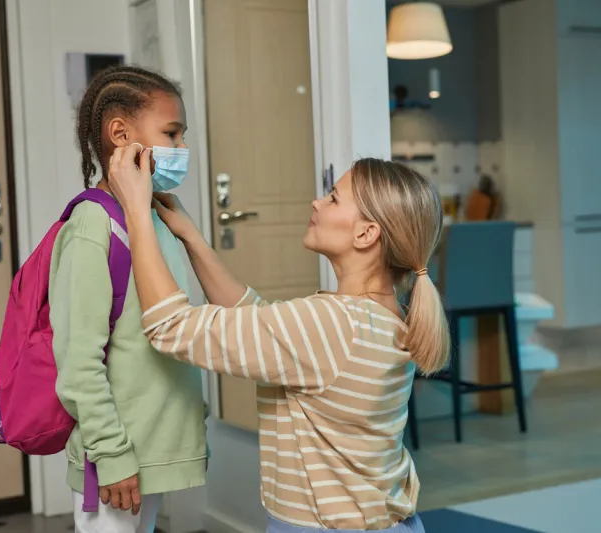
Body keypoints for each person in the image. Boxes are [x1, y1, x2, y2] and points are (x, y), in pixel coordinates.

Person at [108, 149, 449, 532]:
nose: (316, 203)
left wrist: (137, 212)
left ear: (366, 233)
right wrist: (190, 236)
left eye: (334, 198)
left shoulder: (331, 324)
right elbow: (258, 322)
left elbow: (170, 326)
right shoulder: (380, 317)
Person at [50, 66, 208, 533]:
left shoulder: (157, 220)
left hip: (154, 449)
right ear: (121, 133)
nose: (181, 149)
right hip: (117, 456)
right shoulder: (92, 227)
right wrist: (111, 454)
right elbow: (78, 361)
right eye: (171, 134)